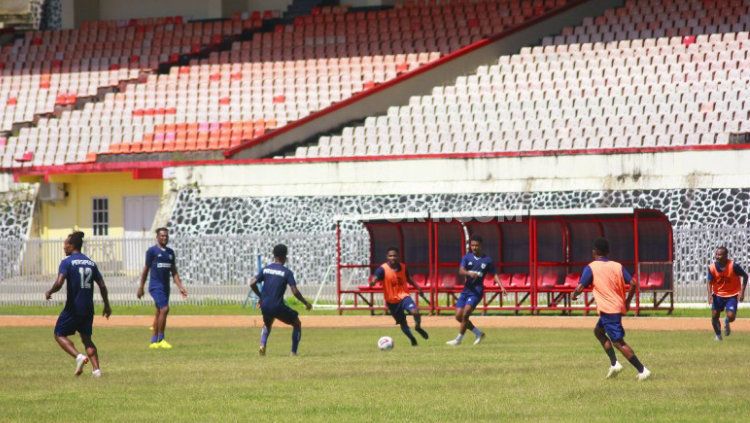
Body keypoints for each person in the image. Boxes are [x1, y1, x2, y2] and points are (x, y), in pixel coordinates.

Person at [572, 237, 651, 381]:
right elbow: (633, 283)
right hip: (616, 306)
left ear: (595, 251)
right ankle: (615, 364)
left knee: (618, 342)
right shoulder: (617, 266)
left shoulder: (592, 267)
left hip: (608, 309)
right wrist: (627, 301)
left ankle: (642, 370)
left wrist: (574, 295)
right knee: (598, 331)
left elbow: (580, 287)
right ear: (607, 252)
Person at [45, 231, 111, 378]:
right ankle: (97, 371)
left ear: (72, 245)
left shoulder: (67, 262)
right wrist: (106, 305)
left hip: (73, 308)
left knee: (59, 334)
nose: (64, 248)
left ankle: (79, 357)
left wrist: (50, 291)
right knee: (86, 338)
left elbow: (59, 282)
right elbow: (102, 286)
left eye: (65, 245)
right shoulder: (91, 263)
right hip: (88, 308)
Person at [249, 244, 312, 356]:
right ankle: (293, 352)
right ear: (284, 257)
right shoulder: (286, 272)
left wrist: (261, 297)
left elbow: (252, 283)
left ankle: (262, 345)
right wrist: (306, 303)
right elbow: (295, 292)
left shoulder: (266, 269)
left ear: (274, 256)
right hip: (277, 306)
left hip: (265, 305)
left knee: (267, 324)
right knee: (297, 323)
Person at [446, 235, 505, 346]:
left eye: (476, 245)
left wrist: (501, 286)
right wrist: (469, 273)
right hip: (466, 290)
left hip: (476, 291)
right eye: (472, 245)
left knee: (465, 314)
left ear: (481, 245)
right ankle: (478, 333)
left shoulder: (487, 260)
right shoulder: (467, 257)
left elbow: (494, 274)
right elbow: (461, 270)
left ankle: (458, 340)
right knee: (458, 316)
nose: (474, 247)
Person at [137, 227, 188, 349]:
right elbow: (146, 270)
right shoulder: (152, 251)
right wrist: (141, 287)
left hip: (166, 287)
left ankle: (153, 341)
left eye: (166, 236)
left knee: (159, 311)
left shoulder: (170, 253)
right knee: (165, 309)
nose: (164, 237)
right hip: (155, 286)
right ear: (157, 237)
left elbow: (174, 271)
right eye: (162, 236)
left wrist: (180, 286)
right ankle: (161, 339)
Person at [371, 247, 429, 346]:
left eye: (394, 255)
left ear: (398, 256)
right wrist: (373, 281)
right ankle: (412, 339)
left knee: (415, 312)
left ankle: (418, 327)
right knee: (403, 323)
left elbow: (409, 278)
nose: (392, 257)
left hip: (404, 296)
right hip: (392, 301)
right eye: (390, 256)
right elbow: (375, 277)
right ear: (387, 257)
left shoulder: (403, 266)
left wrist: (418, 288)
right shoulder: (382, 269)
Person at [707, 246, 747, 340]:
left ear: (725, 256)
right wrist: (709, 295)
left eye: (719, 254)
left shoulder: (733, 266)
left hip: (732, 295)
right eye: (716, 254)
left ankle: (727, 321)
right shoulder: (712, 267)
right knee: (714, 316)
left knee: (731, 316)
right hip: (717, 295)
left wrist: (742, 292)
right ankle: (718, 335)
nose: (717, 256)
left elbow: (745, 276)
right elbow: (709, 282)